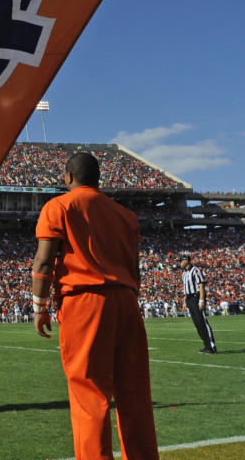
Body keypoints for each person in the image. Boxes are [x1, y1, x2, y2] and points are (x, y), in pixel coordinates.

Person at [32, 152, 158, 460]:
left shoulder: (58, 206)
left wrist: (40, 306)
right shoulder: (125, 215)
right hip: (127, 300)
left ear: (68, 177)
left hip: (85, 300)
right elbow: (135, 268)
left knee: (90, 395)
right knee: (134, 392)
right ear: (98, 178)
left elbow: (44, 260)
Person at [179, 256, 216, 354]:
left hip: (196, 297)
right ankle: (206, 346)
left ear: (187, 260)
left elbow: (201, 285)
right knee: (197, 324)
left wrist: (202, 300)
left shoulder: (195, 270)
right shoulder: (184, 274)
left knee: (202, 322)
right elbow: (185, 290)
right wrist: (184, 301)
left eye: (181, 260)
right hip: (189, 299)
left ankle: (211, 346)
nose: (180, 263)